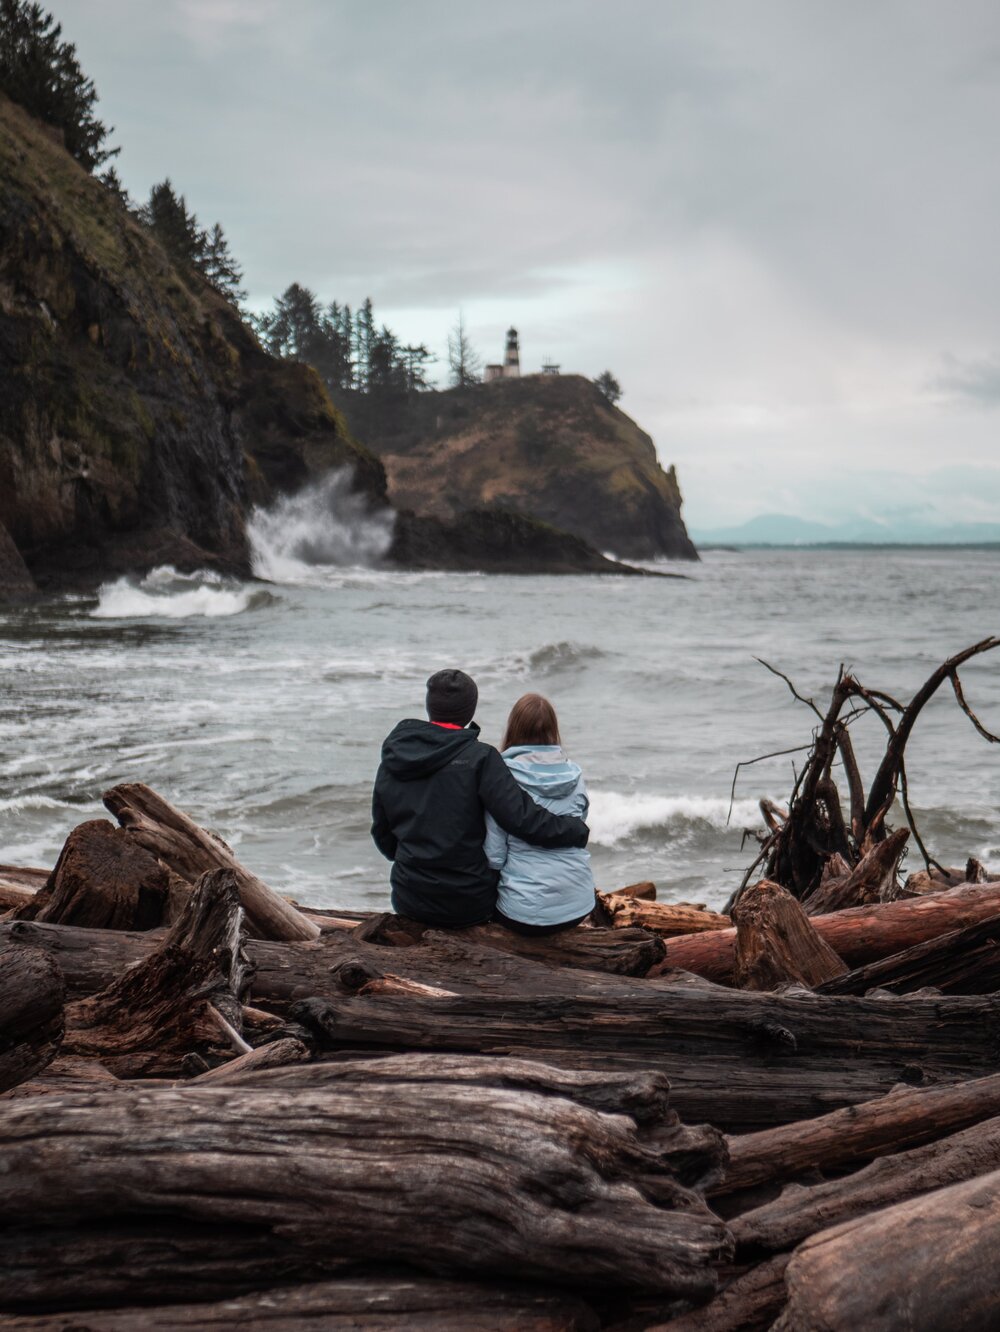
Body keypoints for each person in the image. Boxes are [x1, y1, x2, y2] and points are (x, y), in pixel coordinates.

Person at [371, 669, 590, 928]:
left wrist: (416, 862)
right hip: (467, 903)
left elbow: (383, 833)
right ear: (470, 709)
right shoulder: (480, 758)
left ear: (430, 706)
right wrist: (574, 829)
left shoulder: (396, 755)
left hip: (410, 897)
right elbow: (521, 819)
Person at [485, 693, 596, 934]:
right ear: (553, 730)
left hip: (523, 913)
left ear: (513, 729)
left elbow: (494, 855)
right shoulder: (575, 775)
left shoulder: (502, 778)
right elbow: (576, 825)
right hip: (579, 904)